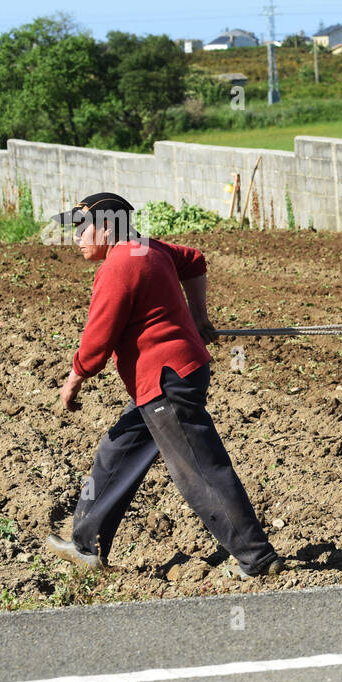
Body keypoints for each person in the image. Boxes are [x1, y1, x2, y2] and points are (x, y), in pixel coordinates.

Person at [44, 192, 286, 579]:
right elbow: (194, 259)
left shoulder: (119, 265)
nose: (75, 237)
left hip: (165, 383)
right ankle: (85, 545)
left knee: (200, 471)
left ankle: (257, 558)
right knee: (117, 449)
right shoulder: (146, 248)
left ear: (107, 225)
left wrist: (73, 379)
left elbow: (97, 339)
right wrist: (199, 316)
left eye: (81, 227)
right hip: (166, 379)